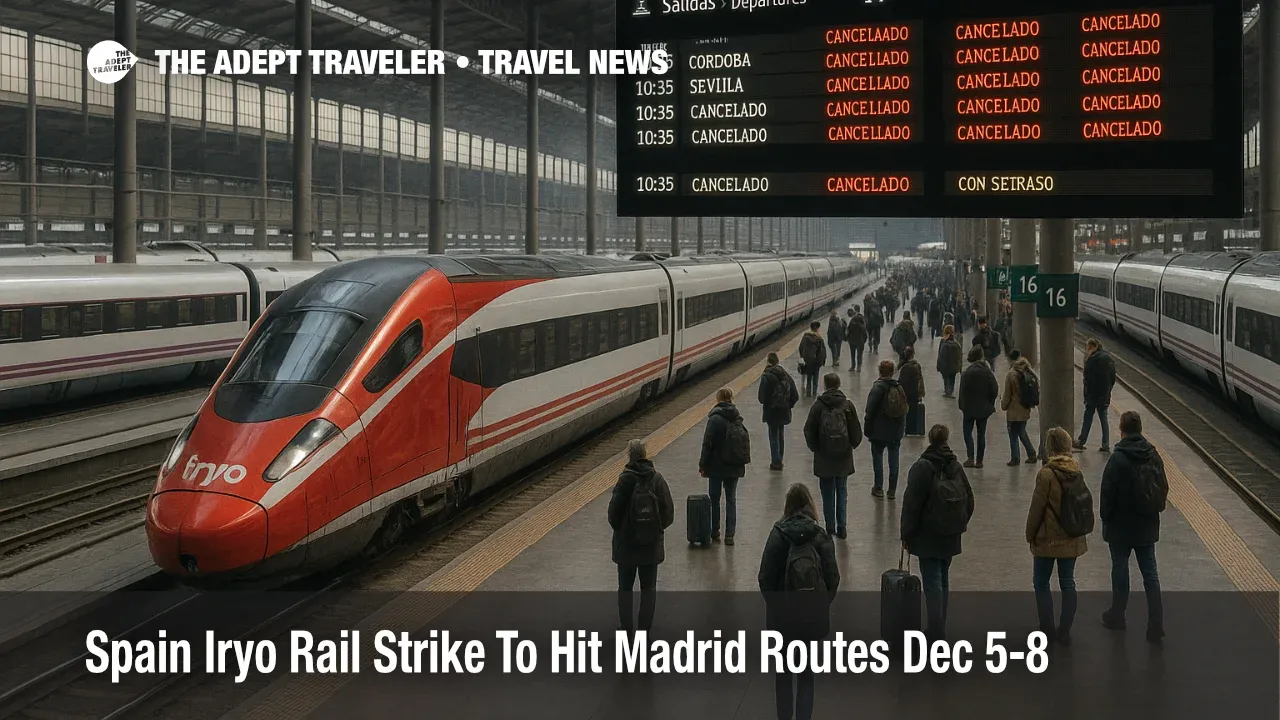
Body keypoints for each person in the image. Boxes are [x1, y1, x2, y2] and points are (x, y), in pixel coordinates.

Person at [758, 483, 839, 720]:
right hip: (810, 619)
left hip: (783, 620)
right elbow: (833, 578)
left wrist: (777, 608)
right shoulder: (819, 535)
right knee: (806, 675)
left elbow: (765, 578)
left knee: (783, 675)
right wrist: (819, 606)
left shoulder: (778, 534)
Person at [901, 424, 974, 642]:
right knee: (942, 579)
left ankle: (935, 632)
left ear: (930, 440)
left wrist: (906, 533)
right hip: (950, 534)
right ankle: (939, 626)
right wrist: (958, 523)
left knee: (932, 582)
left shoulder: (923, 467)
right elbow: (969, 500)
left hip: (928, 536)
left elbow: (911, 504)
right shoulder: (956, 467)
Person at [1100, 410, 1166, 642]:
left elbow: (1107, 494)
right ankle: (1156, 623)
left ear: (1122, 429)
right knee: (1150, 574)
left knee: (1120, 570)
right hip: (1146, 525)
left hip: (1120, 527)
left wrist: (1106, 519)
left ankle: (1118, 615)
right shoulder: (1153, 454)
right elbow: (1163, 488)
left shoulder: (1118, 458)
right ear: (1139, 429)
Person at [1024, 427, 1088, 644]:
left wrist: (1029, 534)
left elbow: (1037, 509)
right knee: (1068, 582)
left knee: (1041, 581)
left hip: (1047, 539)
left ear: (1049, 447)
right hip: (1071, 536)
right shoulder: (1076, 470)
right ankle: (1065, 630)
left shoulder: (1046, 474)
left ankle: (1047, 627)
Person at [608, 439, 676, 633]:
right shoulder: (657, 479)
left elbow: (613, 514)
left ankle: (626, 629)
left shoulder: (624, 480)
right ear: (646, 454)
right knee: (648, 590)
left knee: (625, 589)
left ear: (629, 456)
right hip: (650, 546)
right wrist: (655, 529)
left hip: (626, 547)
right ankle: (644, 631)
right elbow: (668, 513)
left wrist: (622, 531)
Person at [803, 373, 863, 539]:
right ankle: (842, 527)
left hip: (824, 457)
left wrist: (816, 448)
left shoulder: (818, 406)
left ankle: (829, 528)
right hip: (843, 457)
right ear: (839, 384)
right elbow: (856, 431)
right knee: (842, 491)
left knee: (827, 493)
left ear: (825, 385)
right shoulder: (847, 405)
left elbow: (808, 430)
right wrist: (851, 446)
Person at [699, 387, 749, 545]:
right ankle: (730, 534)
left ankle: (715, 532)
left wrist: (703, 464)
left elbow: (707, 444)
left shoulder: (714, 419)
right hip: (733, 465)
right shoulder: (737, 417)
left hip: (715, 466)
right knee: (731, 499)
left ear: (718, 399)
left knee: (714, 499)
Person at [864, 360, 908, 499]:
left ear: (880, 371)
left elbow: (869, 410)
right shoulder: (899, 387)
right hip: (895, 431)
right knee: (894, 460)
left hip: (879, 432)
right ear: (892, 371)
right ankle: (892, 490)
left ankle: (878, 487)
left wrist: (867, 428)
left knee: (878, 459)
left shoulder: (878, 388)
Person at [758, 352, 800, 471]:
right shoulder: (785, 375)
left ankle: (775, 462)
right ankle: (779, 459)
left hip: (771, 411)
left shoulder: (766, 376)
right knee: (780, 435)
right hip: (783, 410)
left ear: (768, 361)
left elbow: (761, 398)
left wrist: (770, 403)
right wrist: (787, 405)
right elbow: (795, 395)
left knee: (773, 436)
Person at [957, 346, 998, 468]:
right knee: (981, 435)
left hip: (968, 408)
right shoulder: (987, 373)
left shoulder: (967, 373)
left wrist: (962, 405)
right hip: (983, 409)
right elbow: (994, 389)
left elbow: (962, 391)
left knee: (967, 433)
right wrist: (989, 403)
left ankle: (970, 457)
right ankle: (979, 461)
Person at [1075, 338, 1118, 452]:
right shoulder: (1108, 358)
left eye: (1087, 347)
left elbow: (1087, 379)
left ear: (1092, 346)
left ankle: (1081, 440)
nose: (1086, 350)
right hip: (1104, 395)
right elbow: (1113, 378)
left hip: (1092, 395)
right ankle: (1106, 444)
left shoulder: (1091, 359)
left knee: (1088, 417)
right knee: (1104, 419)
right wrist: (1108, 390)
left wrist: (1087, 393)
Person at [1002, 349, 1039, 465]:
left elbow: (1008, 394)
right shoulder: (1028, 370)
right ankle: (1031, 454)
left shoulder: (1011, 374)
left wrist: (1003, 405)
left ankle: (1015, 457)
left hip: (1014, 409)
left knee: (1013, 433)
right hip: (1025, 407)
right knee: (1021, 431)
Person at [897, 346, 925, 436]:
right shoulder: (917, 366)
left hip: (906, 392)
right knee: (914, 410)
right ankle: (913, 429)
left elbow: (901, 381)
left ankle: (907, 429)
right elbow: (921, 379)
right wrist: (921, 392)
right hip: (915, 393)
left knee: (906, 411)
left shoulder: (904, 367)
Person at [798, 321, 827, 398]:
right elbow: (822, 351)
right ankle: (814, 392)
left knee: (809, 377)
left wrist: (803, 357)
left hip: (807, 361)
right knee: (815, 377)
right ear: (817, 328)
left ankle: (808, 392)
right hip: (816, 362)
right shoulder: (819, 338)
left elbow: (801, 348)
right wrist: (821, 361)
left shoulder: (805, 337)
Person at [936, 325, 963, 399]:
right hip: (953, 365)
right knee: (951, 378)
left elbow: (940, 353)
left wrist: (938, 364)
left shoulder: (943, 340)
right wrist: (960, 365)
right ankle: (950, 391)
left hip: (944, 364)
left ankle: (947, 390)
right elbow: (959, 354)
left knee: (945, 378)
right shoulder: (955, 342)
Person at [846, 306, 868, 372]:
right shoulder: (862, 322)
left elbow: (848, 331)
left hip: (853, 341)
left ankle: (853, 366)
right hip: (859, 340)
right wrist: (864, 339)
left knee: (853, 354)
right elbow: (865, 331)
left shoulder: (852, 321)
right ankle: (858, 367)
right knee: (859, 354)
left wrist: (847, 338)